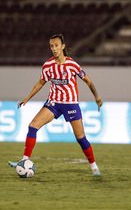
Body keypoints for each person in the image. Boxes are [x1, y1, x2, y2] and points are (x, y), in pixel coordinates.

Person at [8, 34, 103, 175]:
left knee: (80, 137)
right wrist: (27, 98)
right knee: (33, 126)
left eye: (57, 45)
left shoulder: (72, 64)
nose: (54, 48)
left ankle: (94, 166)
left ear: (63, 46)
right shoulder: (48, 66)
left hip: (70, 104)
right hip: (53, 102)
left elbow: (88, 80)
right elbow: (41, 82)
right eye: (52, 46)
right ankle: (24, 161)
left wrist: (97, 97)